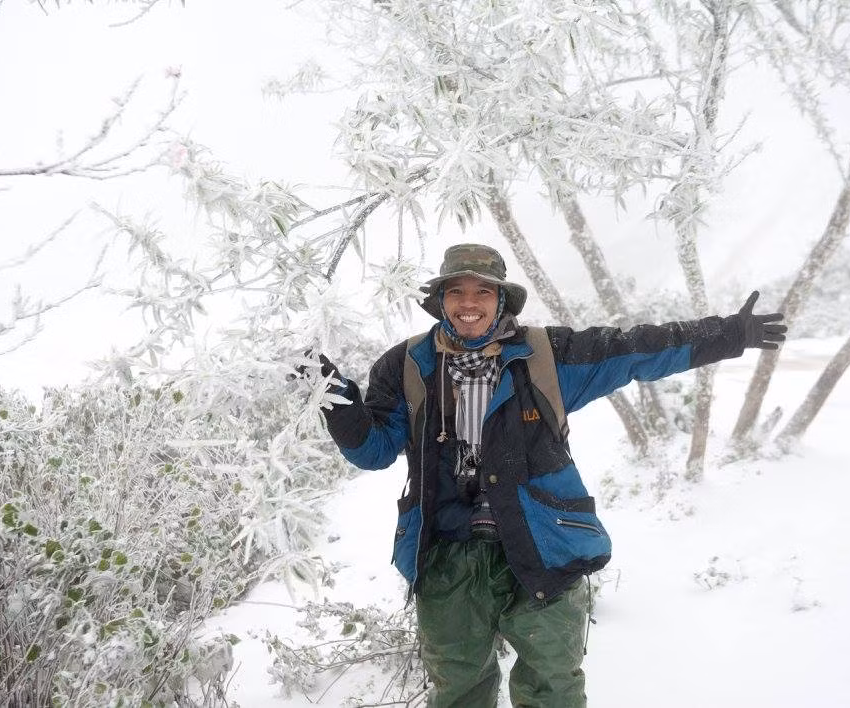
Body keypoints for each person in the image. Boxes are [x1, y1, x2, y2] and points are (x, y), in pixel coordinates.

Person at [304, 243, 785, 708]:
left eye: (483, 292)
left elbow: (639, 348)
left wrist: (730, 334)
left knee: (552, 687)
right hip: (447, 555)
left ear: (501, 300)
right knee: (458, 691)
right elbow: (374, 450)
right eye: (456, 292)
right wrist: (338, 399)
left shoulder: (549, 354)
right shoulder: (407, 363)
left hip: (545, 547)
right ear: (441, 301)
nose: (469, 303)